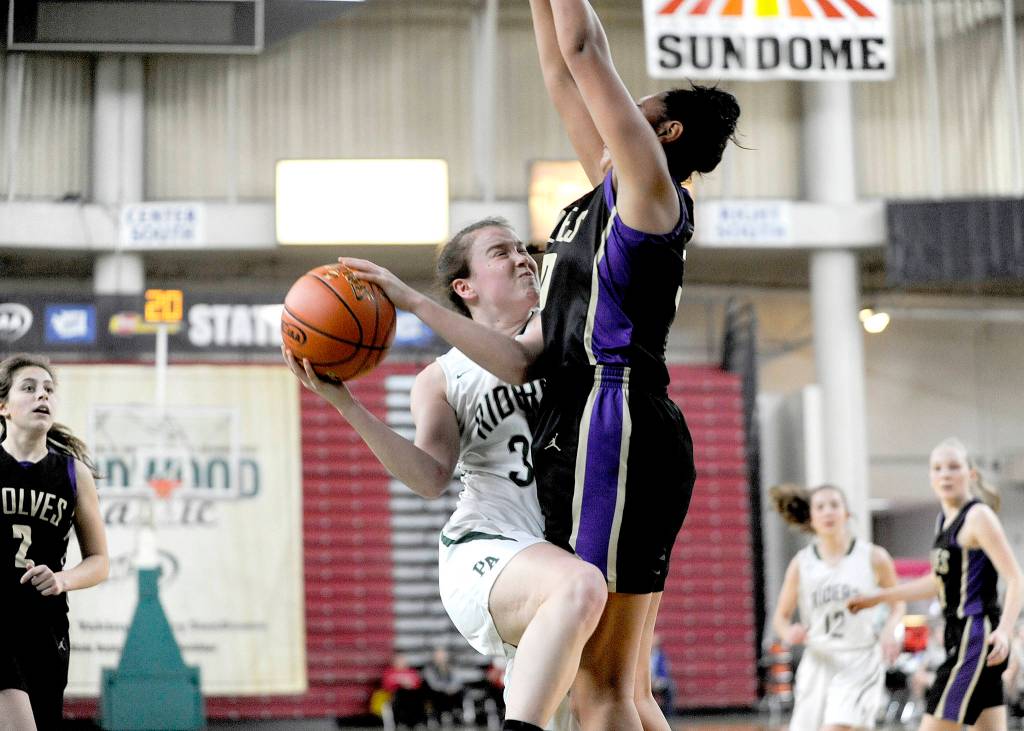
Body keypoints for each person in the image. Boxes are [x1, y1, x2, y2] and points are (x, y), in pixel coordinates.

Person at [341, 2, 739, 728]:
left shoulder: (649, 186)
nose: (622, 103)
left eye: (641, 102)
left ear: (665, 133)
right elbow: (559, 71)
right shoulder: (612, 193)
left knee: (602, 689)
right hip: (621, 421)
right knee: (626, 687)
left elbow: (584, 51)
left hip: (611, 417)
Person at [283, 218, 607, 731]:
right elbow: (431, 477)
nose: (522, 258)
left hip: (560, 556)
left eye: (522, 249)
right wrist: (345, 404)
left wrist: (414, 302)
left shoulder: (561, 327)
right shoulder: (441, 377)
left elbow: (519, 362)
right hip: (488, 547)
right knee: (582, 586)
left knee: (605, 704)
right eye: (500, 252)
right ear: (465, 286)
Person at [850, 438, 1024, 731]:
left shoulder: (978, 516)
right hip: (958, 634)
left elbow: (1016, 578)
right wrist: (881, 596)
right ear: (930, 476)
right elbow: (937, 581)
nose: (945, 474)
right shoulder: (943, 520)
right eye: (938, 468)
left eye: (953, 467)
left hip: (976, 635)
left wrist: (1006, 631)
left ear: (970, 474)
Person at [0, 353, 110, 729]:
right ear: (3, 406)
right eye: (29, 388)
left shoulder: (73, 473)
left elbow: (99, 561)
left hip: (45, 626)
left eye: (48, 389)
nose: (41, 395)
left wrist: (62, 579)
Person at [769, 483, 905, 731]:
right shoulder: (802, 563)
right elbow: (780, 616)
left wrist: (889, 631)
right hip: (818, 659)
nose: (828, 511)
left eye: (834, 505)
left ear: (847, 513)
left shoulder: (873, 556)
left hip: (860, 658)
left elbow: (898, 603)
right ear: (811, 518)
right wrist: (789, 632)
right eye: (820, 507)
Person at [381, 653, 427, 729]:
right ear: (394, 662)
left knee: (415, 696)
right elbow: (386, 687)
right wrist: (400, 684)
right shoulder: (389, 672)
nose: (401, 663)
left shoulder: (412, 672)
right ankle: (403, 721)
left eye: (403, 661)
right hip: (396, 696)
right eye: (399, 661)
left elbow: (418, 684)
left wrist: (409, 685)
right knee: (402, 693)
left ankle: (416, 722)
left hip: (412, 696)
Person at [422, 647, 465, 726]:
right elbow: (433, 683)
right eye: (438, 657)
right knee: (435, 695)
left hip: (452, 691)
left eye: (442, 657)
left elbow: (458, 680)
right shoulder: (429, 668)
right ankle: (439, 715)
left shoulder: (452, 667)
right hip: (438, 693)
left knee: (461, 692)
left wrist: (452, 688)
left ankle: (457, 714)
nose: (441, 659)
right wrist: (445, 689)